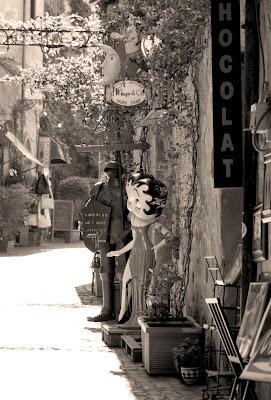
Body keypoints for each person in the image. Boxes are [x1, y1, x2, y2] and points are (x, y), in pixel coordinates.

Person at [107, 172, 171, 327]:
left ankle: (138, 318)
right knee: (126, 281)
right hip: (136, 252)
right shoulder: (135, 218)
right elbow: (134, 241)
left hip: (146, 252)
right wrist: (119, 252)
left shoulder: (152, 221)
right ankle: (123, 315)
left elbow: (168, 235)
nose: (132, 203)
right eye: (131, 198)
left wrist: (156, 246)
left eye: (137, 200)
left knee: (142, 283)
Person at [87, 160, 131, 322]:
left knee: (122, 270)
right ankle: (106, 310)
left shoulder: (127, 191)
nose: (111, 173)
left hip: (121, 233)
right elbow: (90, 211)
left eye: (114, 170)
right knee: (105, 270)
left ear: (120, 172)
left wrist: (127, 229)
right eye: (108, 170)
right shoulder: (98, 189)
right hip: (103, 232)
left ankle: (123, 310)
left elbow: (132, 212)